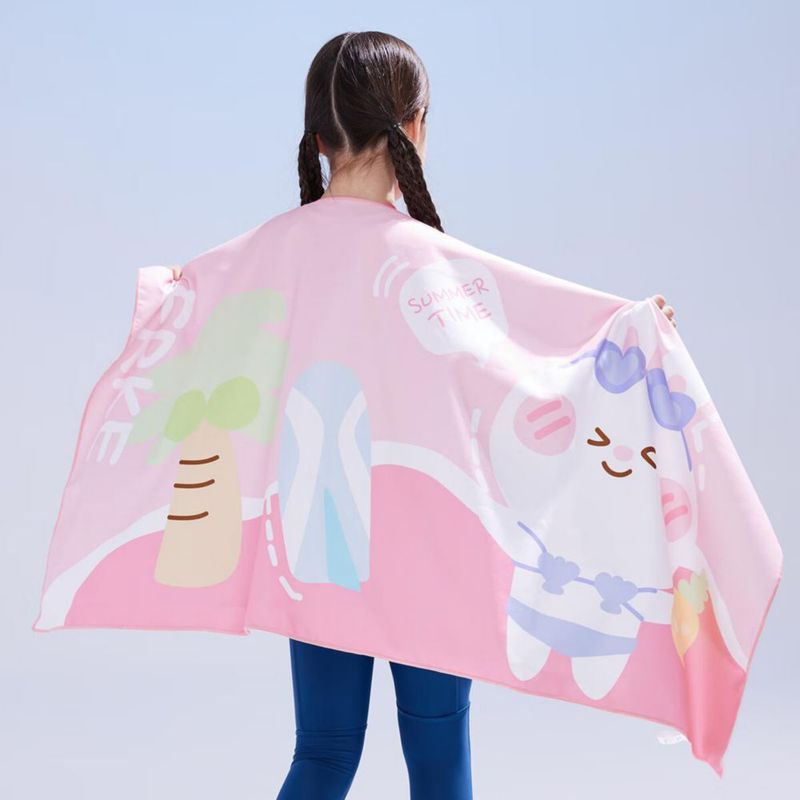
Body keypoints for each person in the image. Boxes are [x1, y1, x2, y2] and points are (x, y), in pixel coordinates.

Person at [171, 29, 677, 800]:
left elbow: (192, 318)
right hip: (431, 545)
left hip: (318, 540)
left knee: (324, 754)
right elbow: (525, 367)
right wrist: (628, 336)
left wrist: (169, 296)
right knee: (440, 764)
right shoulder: (433, 264)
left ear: (318, 137)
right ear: (413, 127)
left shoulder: (271, 253)